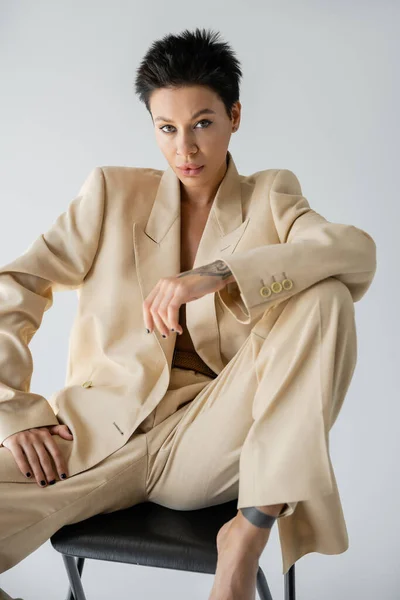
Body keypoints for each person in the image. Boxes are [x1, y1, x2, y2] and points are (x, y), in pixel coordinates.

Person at [0, 27, 376, 600]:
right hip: (91, 434)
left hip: (208, 440)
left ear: (235, 117)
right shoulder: (111, 194)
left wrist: (221, 273)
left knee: (325, 295)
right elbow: (18, 283)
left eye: (203, 124)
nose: (185, 149)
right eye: (167, 129)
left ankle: (243, 543)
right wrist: (15, 409)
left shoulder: (272, 197)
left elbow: (355, 253)